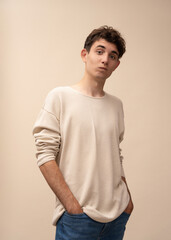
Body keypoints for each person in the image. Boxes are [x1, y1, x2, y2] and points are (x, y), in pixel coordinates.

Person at [33, 25, 134, 240]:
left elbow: (115, 154)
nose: (105, 59)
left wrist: (128, 200)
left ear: (116, 65)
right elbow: (45, 155)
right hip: (78, 217)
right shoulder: (59, 97)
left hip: (117, 216)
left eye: (112, 55)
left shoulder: (116, 105)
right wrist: (71, 205)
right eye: (99, 51)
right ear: (84, 54)